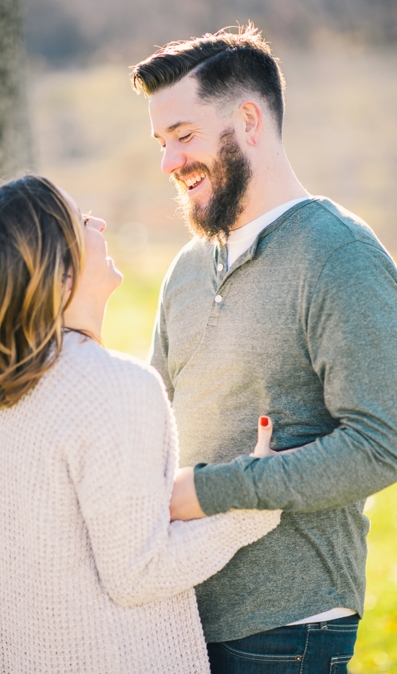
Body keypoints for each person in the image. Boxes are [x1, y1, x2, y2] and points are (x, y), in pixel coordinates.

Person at [131, 24, 397, 671]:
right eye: (162, 143)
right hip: (176, 616)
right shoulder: (187, 269)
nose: (169, 163)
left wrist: (214, 490)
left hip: (288, 629)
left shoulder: (339, 254)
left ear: (249, 120)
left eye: (184, 136)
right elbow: (152, 418)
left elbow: (382, 442)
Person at [0, 174, 281, 673]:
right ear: (58, 273)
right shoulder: (112, 386)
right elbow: (140, 572)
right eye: (82, 221)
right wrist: (253, 504)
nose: (98, 222)